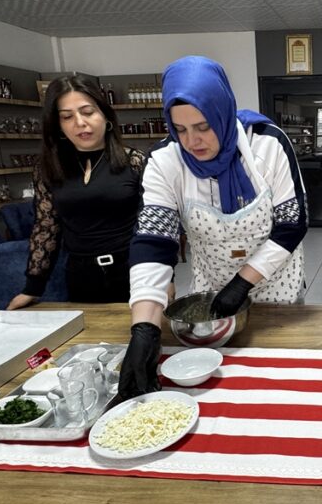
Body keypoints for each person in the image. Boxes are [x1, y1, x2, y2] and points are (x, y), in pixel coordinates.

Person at [119, 56, 308, 399]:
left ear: (222, 111)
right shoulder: (165, 161)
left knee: (279, 387)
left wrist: (242, 283)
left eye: (203, 126)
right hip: (210, 295)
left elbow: (292, 225)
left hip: (275, 288)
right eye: (180, 129)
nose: (192, 141)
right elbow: (153, 241)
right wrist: (144, 328)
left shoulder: (267, 144)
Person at [8, 75, 145, 309]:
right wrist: (33, 287)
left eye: (88, 112)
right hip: (80, 273)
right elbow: (46, 226)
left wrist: (165, 276)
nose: (80, 122)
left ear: (104, 114)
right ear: (57, 124)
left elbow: (153, 223)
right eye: (67, 117)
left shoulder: (134, 161)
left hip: (135, 271)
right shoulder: (48, 168)